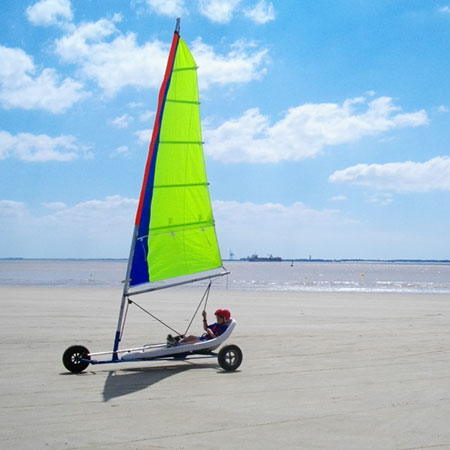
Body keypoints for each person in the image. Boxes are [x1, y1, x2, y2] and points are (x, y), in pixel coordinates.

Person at [167, 309, 231, 346]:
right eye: (217, 317)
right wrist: (204, 317)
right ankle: (177, 341)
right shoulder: (216, 324)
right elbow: (206, 328)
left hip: (208, 342)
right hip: (204, 338)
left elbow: (216, 339)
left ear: (225, 319)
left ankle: (178, 344)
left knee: (194, 342)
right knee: (190, 337)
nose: (217, 319)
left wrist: (210, 332)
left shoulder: (224, 328)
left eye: (219, 317)